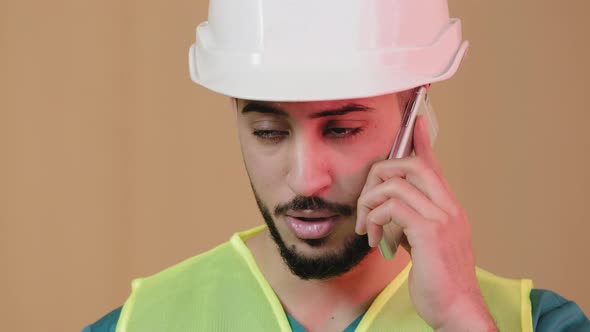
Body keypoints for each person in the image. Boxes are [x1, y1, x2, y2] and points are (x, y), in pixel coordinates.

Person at [84, 1, 589, 331]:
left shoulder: (536, 322)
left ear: (415, 114)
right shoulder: (140, 323)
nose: (305, 179)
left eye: (342, 129)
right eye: (268, 132)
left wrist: (461, 316)